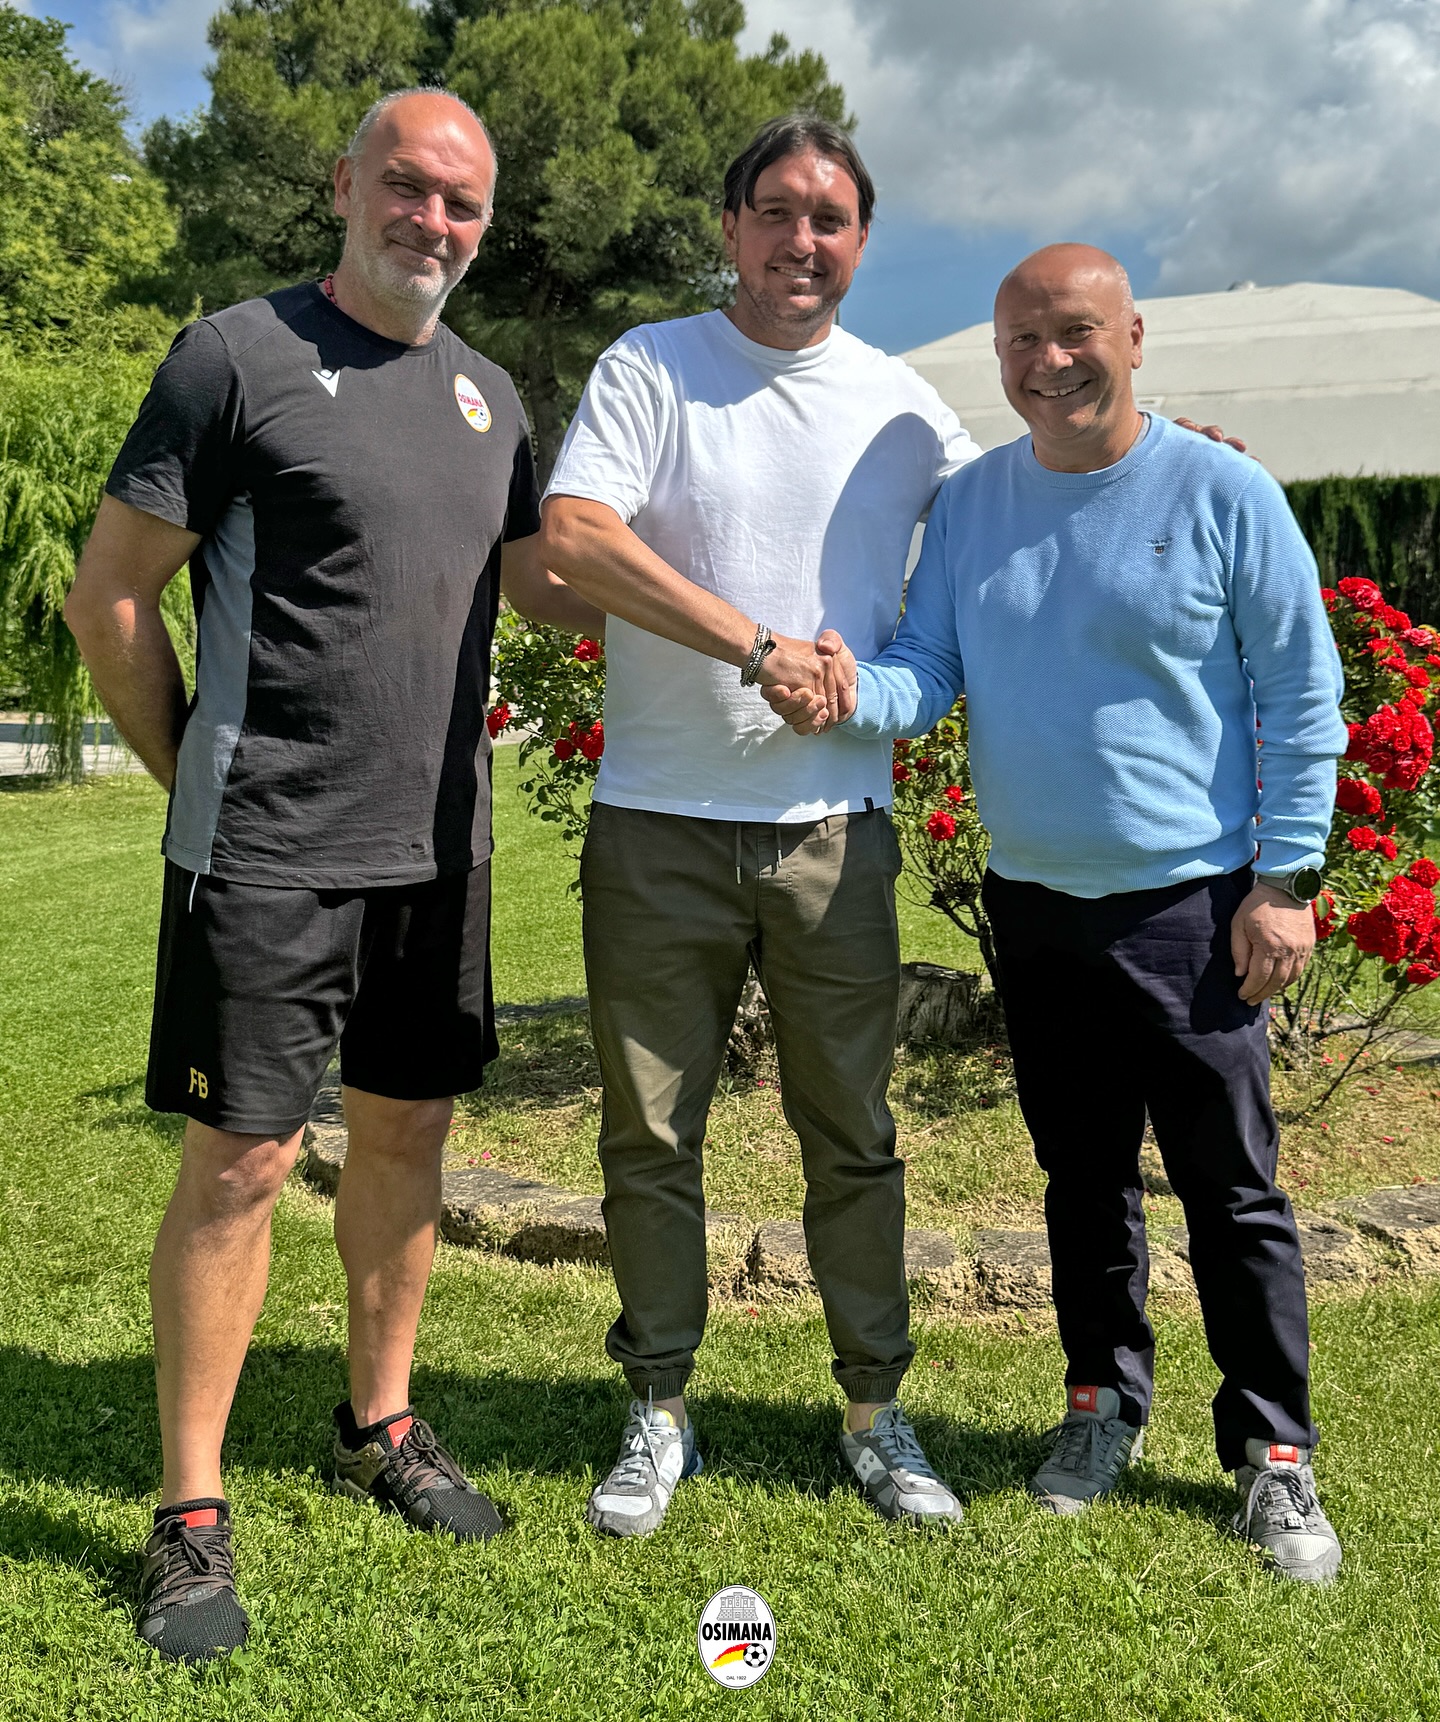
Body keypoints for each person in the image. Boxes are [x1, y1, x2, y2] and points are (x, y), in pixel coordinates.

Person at [65, 88, 604, 1661]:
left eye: (463, 203)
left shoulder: (490, 398)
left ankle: (380, 1419)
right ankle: (189, 1508)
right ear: (345, 181)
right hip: (266, 853)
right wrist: (197, 776)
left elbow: (544, 587)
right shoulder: (232, 358)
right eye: (408, 186)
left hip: (438, 852)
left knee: (408, 1132)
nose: (432, 221)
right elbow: (112, 599)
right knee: (240, 1164)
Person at [768, 244, 1347, 1584]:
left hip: (1196, 907)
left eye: (1076, 331)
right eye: (1022, 340)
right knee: (1082, 1180)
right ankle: (1102, 1404)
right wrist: (851, 688)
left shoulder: (1224, 492)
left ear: (1133, 338)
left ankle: (1273, 1454)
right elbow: (929, 669)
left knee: (1233, 1192)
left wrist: (1286, 881)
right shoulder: (973, 506)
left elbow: (1300, 693)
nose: (1050, 361)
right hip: (1034, 907)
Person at [537, 114, 983, 1535]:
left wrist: (1158, 463)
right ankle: (658, 1408)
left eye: (829, 218)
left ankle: (874, 1412)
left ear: (862, 240)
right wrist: (757, 646)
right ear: (729, 226)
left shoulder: (904, 405)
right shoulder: (652, 366)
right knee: (649, 1136)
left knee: (852, 1133)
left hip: (833, 828)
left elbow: (1015, 522)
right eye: (777, 211)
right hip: (657, 823)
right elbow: (578, 535)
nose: (802, 239)